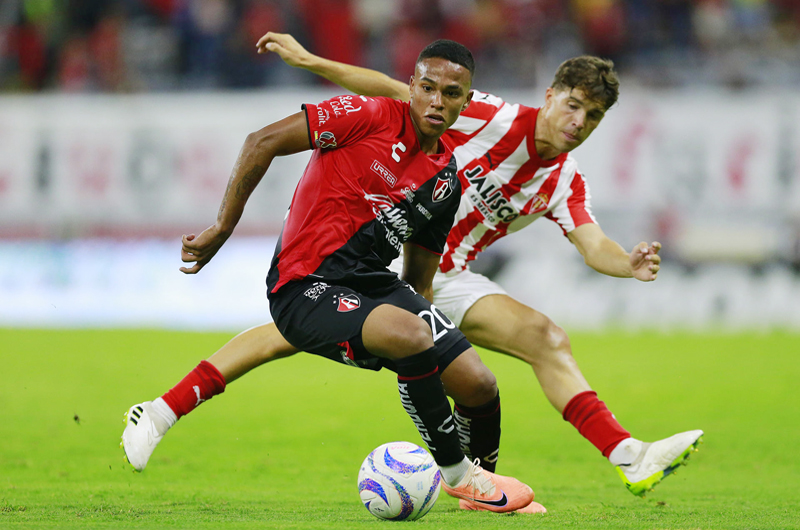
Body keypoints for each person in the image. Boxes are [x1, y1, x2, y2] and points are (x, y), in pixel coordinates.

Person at [123, 32, 703, 507]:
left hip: (437, 271)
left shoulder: (561, 180)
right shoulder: (486, 114)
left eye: (593, 115)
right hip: (362, 262)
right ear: (549, 96)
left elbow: (591, 242)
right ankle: (479, 475)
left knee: (513, 355)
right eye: (572, 104)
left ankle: (594, 460)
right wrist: (310, 62)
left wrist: (625, 263)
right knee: (294, 331)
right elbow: (395, 91)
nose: (578, 121)